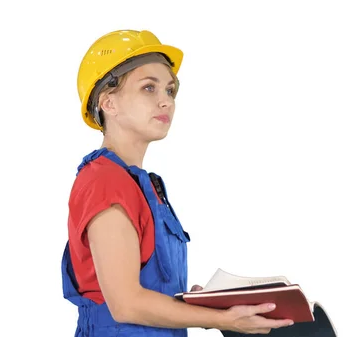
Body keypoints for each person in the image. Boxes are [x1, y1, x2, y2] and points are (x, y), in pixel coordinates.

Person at [61, 29, 294, 337]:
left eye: (170, 91)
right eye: (149, 88)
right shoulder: (104, 181)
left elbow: (148, 290)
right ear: (108, 103)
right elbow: (126, 304)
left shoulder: (142, 186)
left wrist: (201, 304)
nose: (165, 102)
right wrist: (227, 321)